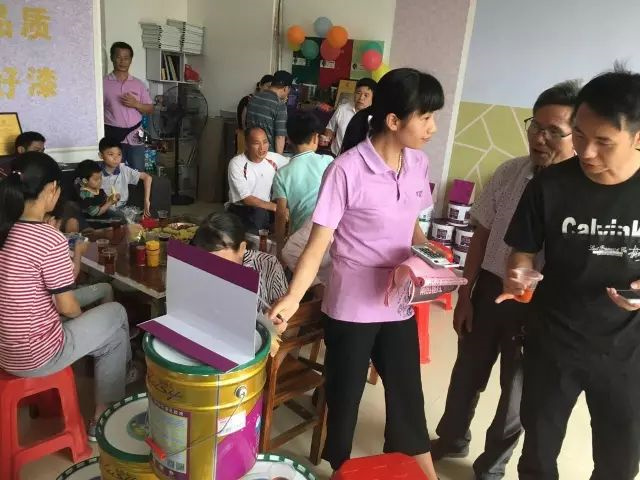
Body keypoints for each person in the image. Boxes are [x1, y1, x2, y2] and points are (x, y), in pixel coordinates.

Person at [269, 68, 443, 479]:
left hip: (397, 302)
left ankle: (422, 471)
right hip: (351, 306)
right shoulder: (345, 170)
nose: (433, 127)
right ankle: (340, 469)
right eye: (426, 117)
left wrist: (430, 257)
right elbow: (317, 245)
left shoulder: (418, 163)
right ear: (394, 121)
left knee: (408, 393)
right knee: (344, 399)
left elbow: (411, 222)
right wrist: (292, 298)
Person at [430, 81, 580, 479]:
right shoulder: (510, 171)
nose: (540, 138)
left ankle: (491, 467)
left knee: (516, 393)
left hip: (537, 305)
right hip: (489, 290)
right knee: (466, 374)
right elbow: (480, 233)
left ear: (577, 135)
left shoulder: (579, 192)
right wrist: (465, 296)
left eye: (554, 131)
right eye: (536, 126)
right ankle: (451, 439)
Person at [498, 66, 640, 480]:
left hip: (628, 351)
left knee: (619, 460)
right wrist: (518, 274)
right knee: (539, 453)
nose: (586, 152)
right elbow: (522, 252)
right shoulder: (550, 185)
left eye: (603, 142)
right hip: (554, 341)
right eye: (579, 134)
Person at [0, 152, 132, 440]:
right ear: (51, 189)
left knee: (104, 301)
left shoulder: (7, 230)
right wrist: (84, 322)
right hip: (37, 354)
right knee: (117, 316)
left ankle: (120, 366)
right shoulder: (49, 239)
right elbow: (68, 306)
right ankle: (102, 417)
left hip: (6, 351)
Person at [191, 212, 288, 310]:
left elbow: (284, 310)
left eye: (222, 264)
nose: (215, 271)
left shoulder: (268, 264)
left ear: (242, 248)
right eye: (207, 263)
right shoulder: (192, 266)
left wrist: (275, 315)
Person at [272, 112, 333, 256]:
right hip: (328, 235)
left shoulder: (282, 173)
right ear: (315, 138)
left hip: (299, 240)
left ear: (289, 140)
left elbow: (281, 214)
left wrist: (280, 247)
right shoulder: (328, 161)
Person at [103, 41, 153, 172]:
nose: (122, 61)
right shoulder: (103, 83)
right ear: (112, 58)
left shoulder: (138, 84)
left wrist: (136, 104)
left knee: (138, 173)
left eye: (126, 58)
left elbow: (150, 109)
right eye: (118, 57)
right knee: (114, 174)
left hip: (136, 136)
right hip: (113, 137)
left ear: (131, 60)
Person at [227, 127, 288, 233]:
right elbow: (247, 199)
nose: (262, 148)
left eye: (265, 142)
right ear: (246, 145)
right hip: (242, 209)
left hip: (266, 207)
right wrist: (279, 208)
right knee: (260, 216)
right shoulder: (237, 163)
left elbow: (295, 165)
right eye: (256, 143)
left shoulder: (273, 158)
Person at [99, 137, 152, 217]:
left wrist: (146, 200)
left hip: (122, 208)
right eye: (111, 154)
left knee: (139, 217)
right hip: (104, 209)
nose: (116, 158)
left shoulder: (124, 169)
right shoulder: (96, 173)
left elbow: (147, 177)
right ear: (101, 155)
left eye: (119, 154)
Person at [324, 78, 377, 155]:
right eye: (358, 93)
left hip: (358, 159)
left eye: (366, 95)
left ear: (373, 98)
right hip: (335, 156)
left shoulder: (375, 117)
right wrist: (326, 138)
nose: (361, 98)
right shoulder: (342, 109)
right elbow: (330, 128)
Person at [246, 70, 293, 154]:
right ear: (286, 88)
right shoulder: (279, 105)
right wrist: (278, 159)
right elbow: (280, 137)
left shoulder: (254, 98)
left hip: (251, 151)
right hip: (267, 154)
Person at [74, 159, 125, 227]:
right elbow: (96, 213)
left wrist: (113, 198)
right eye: (96, 179)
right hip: (96, 221)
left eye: (100, 178)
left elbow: (104, 200)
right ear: (85, 181)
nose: (100, 181)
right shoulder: (86, 195)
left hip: (104, 214)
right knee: (121, 219)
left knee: (123, 216)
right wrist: (110, 203)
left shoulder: (96, 189)